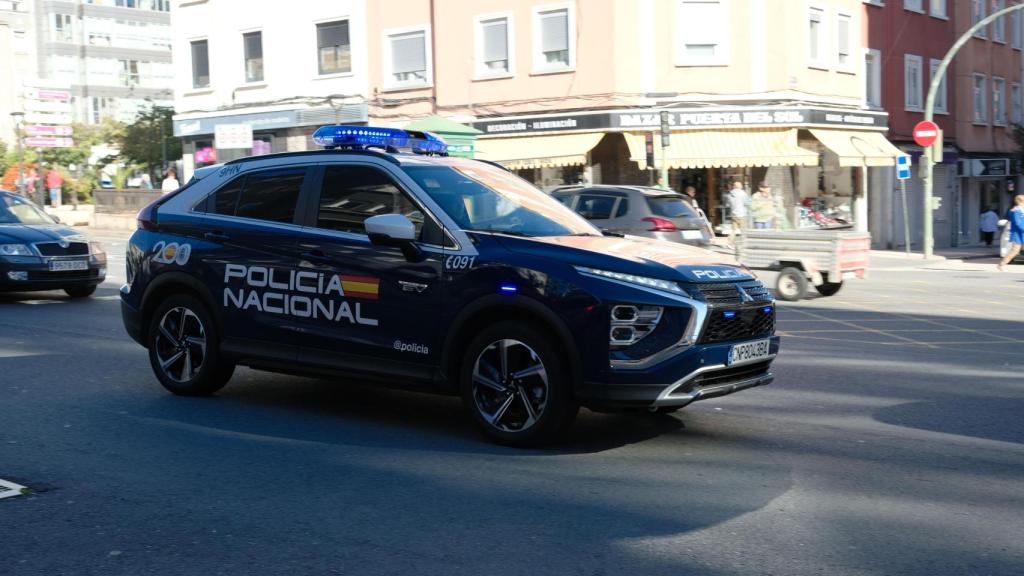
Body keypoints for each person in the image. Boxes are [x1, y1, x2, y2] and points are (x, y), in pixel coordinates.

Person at [998, 195, 1024, 271]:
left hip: (1021, 234)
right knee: (1014, 251)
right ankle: (1001, 265)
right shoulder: (1016, 211)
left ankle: (1001, 265)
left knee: (1015, 251)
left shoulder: (1021, 210)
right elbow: (1018, 223)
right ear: (1021, 201)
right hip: (1018, 234)